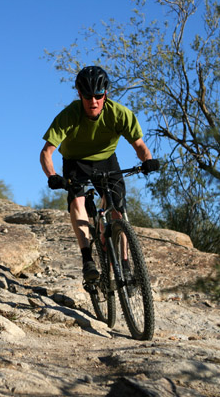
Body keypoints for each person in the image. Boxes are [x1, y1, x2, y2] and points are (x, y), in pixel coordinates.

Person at [39, 66, 159, 282]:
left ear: (106, 93)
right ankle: (88, 261)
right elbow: (47, 152)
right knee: (78, 202)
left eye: (98, 96)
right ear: (79, 94)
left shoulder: (119, 114)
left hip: (106, 161)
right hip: (76, 162)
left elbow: (139, 145)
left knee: (118, 208)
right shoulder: (69, 115)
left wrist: (148, 161)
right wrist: (52, 176)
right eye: (87, 96)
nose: (93, 101)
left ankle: (124, 263)